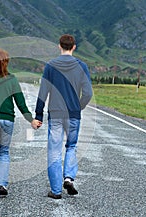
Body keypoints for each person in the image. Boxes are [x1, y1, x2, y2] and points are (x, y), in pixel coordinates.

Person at [0, 48, 41, 200]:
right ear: (6, 63)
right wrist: (31, 120)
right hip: (7, 120)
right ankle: (2, 184)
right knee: (3, 152)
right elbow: (20, 103)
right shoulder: (12, 79)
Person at [35, 34, 93, 199]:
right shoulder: (82, 66)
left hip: (56, 114)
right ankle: (68, 177)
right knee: (71, 146)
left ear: (59, 46)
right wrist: (78, 107)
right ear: (74, 47)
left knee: (54, 151)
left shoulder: (51, 66)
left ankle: (56, 191)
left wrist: (38, 114)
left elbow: (43, 92)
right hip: (73, 114)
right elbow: (88, 93)